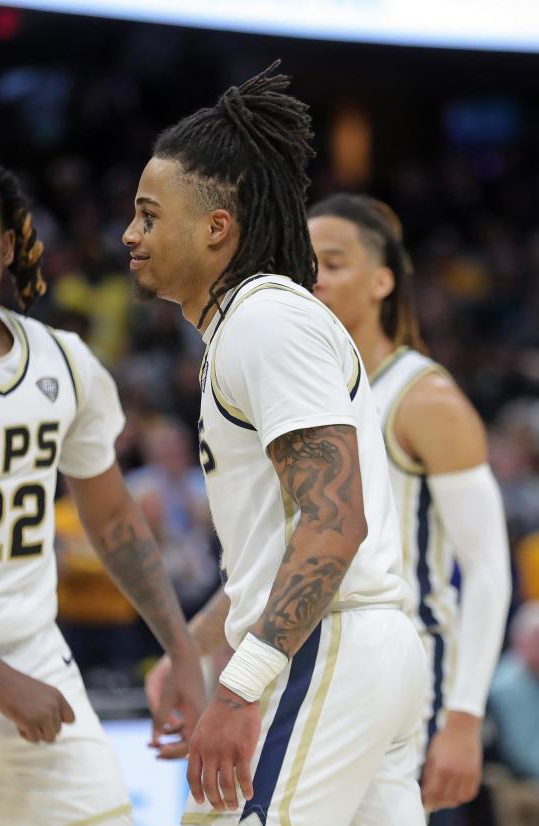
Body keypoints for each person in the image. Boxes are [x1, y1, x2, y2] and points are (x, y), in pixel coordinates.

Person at [125, 63, 426, 824]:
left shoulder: (264, 322)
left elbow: (334, 521)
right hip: (357, 650)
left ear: (216, 227)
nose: (131, 235)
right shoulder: (252, 326)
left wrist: (238, 685)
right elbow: (284, 533)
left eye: (149, 215)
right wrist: (197, 646)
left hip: (328, 651)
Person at [0, 159, 205, 825]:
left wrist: (181, 648)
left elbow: (114, 520)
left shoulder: (64, 360)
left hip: (34, 656)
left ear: (9, 242)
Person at [308, 193, 512, 814]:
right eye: (303, 262)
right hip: (321, 673)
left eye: (333, 262)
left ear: (382, 280)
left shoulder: (425, 398)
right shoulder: (307, 392)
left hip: (410, 683)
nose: (313, 277)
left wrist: (464, 719)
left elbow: (487, 569)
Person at [489, 601, 539, 780]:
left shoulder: (534, 675)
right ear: (520, 639)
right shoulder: (507, 684)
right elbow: (520, 751)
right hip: (519, 781)